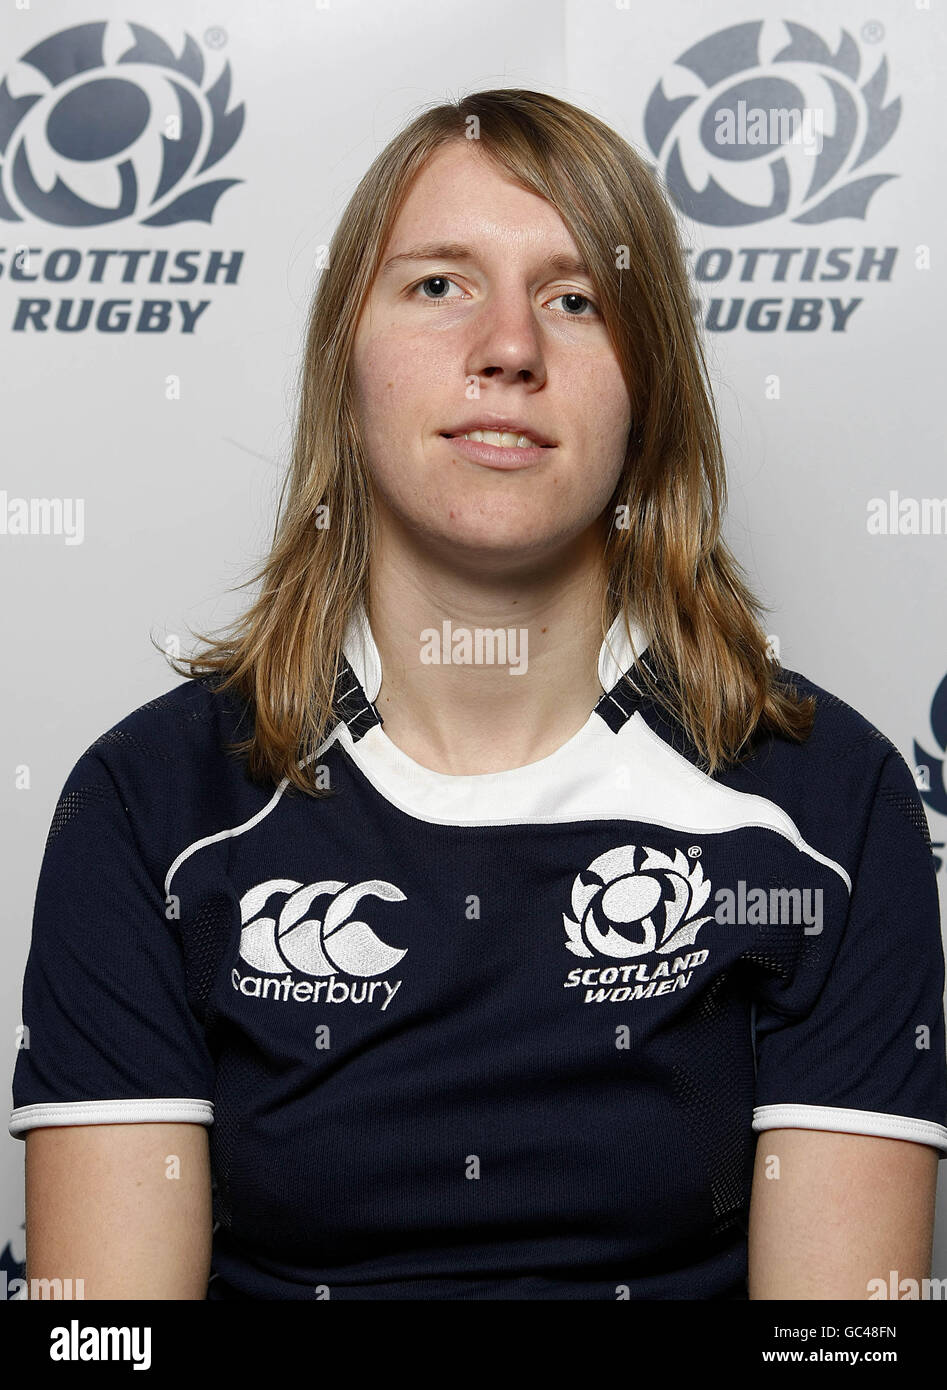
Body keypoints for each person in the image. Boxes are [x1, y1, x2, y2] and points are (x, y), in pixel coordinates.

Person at [9, 88, 947, 1301]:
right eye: (438, 284)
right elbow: (103, 1342)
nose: (508, 347)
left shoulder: (823, 799)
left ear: (646, 386)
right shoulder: (147, 804)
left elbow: (842, 1345)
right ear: (343, 358)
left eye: (574, 299)